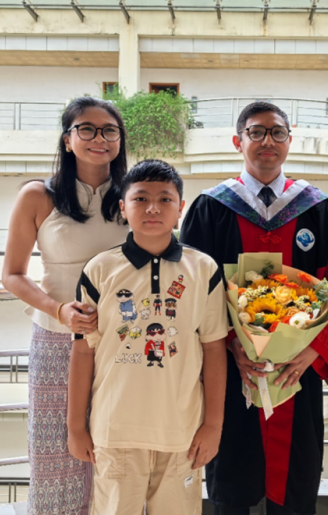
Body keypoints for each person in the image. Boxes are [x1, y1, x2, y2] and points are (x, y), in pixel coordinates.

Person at [180, 102, 328, 515]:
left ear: (289, 141)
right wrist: (229, 343)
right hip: (230, 369)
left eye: (277, 133)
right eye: (256, 132)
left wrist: (314, 349)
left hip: (298, 369)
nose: (267, 142)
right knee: (231, 478)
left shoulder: (316, 207)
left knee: (296, 482)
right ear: (238, 141)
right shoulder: (211, 207)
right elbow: (193, 287)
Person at [67, 159, 228, 515]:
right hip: (115, 432)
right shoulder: (100, 270)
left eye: (165, 199)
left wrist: (213, 425)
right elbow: (82, 353)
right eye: (140, 199)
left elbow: (215, 348)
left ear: (181, 208)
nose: (153, 208)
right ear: (123, 207)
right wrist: (75, 426)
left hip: (182, 435)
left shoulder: (204, 270)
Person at [1, 97, 129, 515]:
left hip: (122, 341)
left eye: (109, 130)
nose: (99, 138)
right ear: (67, 138)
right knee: (56, 453)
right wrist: (59, 310)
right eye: (86, 129)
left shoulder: (133, 194)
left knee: (118, 448)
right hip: (57, 340)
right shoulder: (38, 195)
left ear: (120, 139)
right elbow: (13, 274)